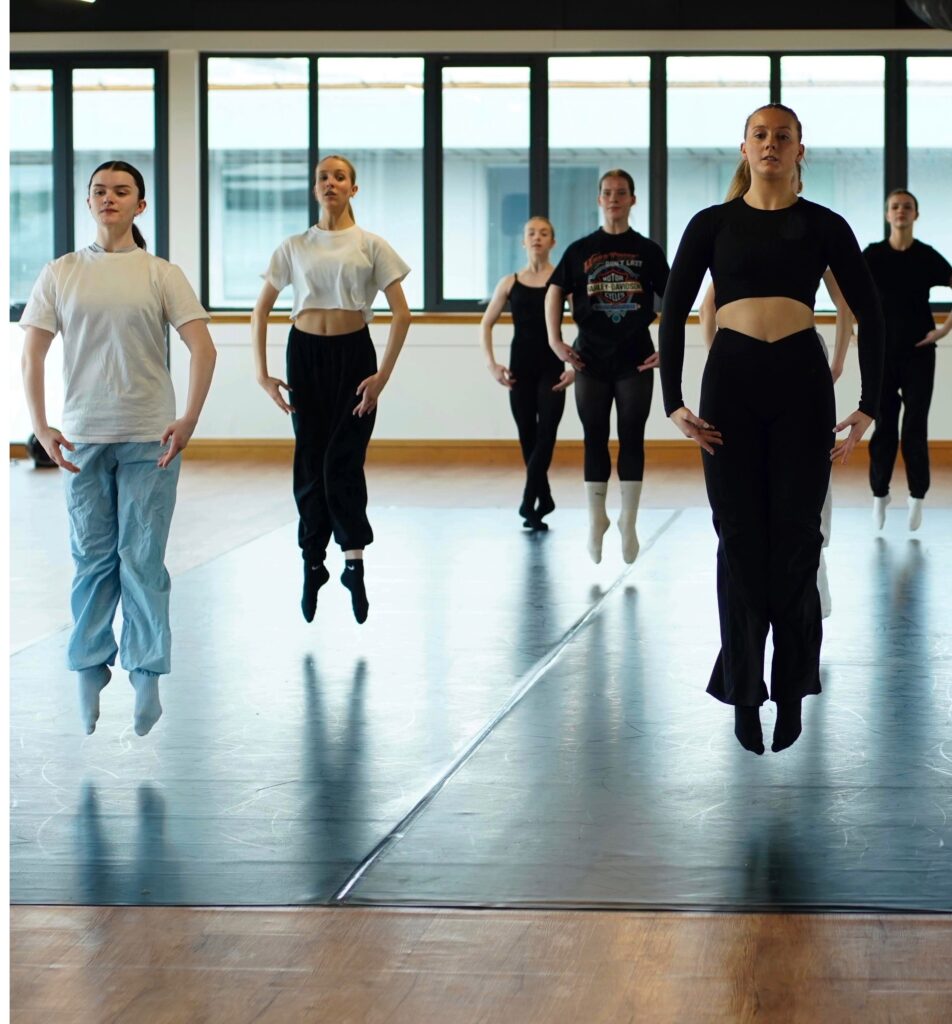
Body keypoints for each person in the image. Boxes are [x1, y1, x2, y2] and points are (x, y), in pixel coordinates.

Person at [659, 104, 884, 756]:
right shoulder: (712, 224)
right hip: (729, 387)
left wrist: (868, 404)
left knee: (796, 540)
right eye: (760, 134)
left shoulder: (823, 225)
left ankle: (789, 687)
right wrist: (672, 400)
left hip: (800, 387)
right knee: (739, 540)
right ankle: (743, 688)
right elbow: (671, 314)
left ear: (799, 150)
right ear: (744, 146)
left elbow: (870, 311)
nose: (771, 144)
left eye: (782, 136)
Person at [20, 160, 217, 737]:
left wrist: (189, 419)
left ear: (140, 205)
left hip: (150, 434)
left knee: (143, 559)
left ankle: (147, 672)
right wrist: (42, 424)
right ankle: (88, 668)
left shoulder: (161, 274)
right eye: (99, 191)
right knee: (92, 559)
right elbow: (31, 355)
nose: (109, 198)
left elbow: (203, 349)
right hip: (82, 436)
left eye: (121, 191)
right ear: (89, 203)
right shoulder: (61, 273)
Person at [252, 155, 411, 624]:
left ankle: (354, 562)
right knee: (310, 459)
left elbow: (402, 314)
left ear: (353, 189)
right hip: (303, 356)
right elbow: (260, 310)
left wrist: (382, 375)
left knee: (342, 459)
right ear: (315, 187)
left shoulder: (371, 245)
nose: (330, 183)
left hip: (353, 358)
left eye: (339, 177)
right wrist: (262, 374)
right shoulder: (293, 246)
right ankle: (313, 562)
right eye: (323, 177)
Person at [697, 164, 855, 620]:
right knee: (749, 505)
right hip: (739, 359)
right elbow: (709, 306)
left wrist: (839, 360)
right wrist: (719, 358)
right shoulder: (728, 230)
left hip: (800, 357)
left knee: (805, 495)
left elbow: (844, 302)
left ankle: (811, 577)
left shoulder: (811, 229)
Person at [545, 169, 670, 564]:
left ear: (633, 199)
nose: (614, 198)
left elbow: (675, 300)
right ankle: (596, 517)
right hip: (589, 359)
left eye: (621, 193)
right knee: (594, 437)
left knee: (632, 437)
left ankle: (628, 521)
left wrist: (668, 346)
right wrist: (555, 341)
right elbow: (554, 291)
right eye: (607, 193)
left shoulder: (648, 250)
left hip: (635, 358)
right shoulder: (581, 249)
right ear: (599, 200)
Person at [863, 190, 952, 532]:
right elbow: (845, 288)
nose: (901, 211)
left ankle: (917, 496)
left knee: (915, 426)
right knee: (883, 424)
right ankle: (879, 493)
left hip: (918, 352)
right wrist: (857, 330)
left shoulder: (927, 257)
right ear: (887, 214)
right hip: (883, 353)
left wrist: (943, 331)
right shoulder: (872, 255)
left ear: (916, 214)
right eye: (895, 207)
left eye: (907, 207)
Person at [480, 217, 574, 531]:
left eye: (544, 233)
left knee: (545, 436)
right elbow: (486, 324)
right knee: (527, 438)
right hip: (519, 369)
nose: (537, 237)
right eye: (531, 233)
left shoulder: (561, 281)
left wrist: (576, 364)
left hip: (552, 370)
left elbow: (588, 322)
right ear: (523, 241)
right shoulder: (509, 282)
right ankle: (543, 498)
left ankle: (527, 499)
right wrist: (492, 364)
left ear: (553, 241)